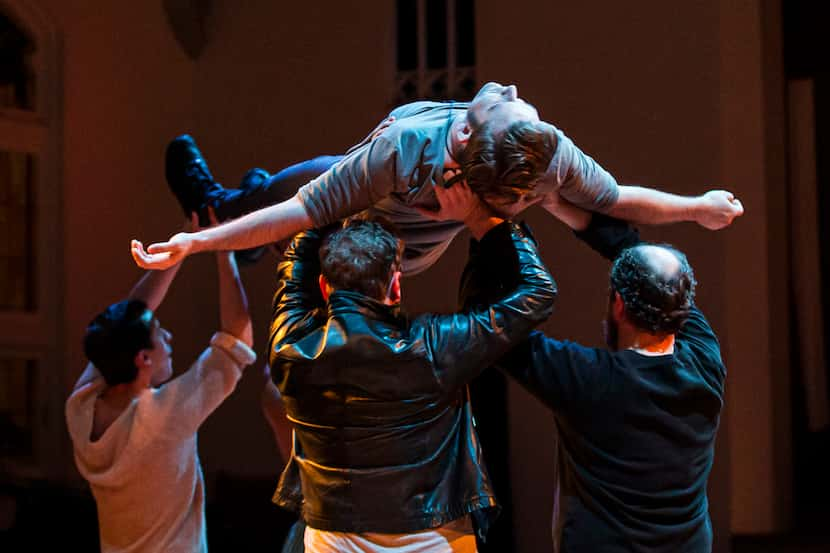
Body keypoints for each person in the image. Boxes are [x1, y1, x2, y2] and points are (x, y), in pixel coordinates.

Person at [131, 82, 743, 274]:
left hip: (390, 244)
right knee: (294, 183)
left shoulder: (541, 155)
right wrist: (698, 205)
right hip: (367, 193)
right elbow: (615, 198)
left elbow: (304, 210)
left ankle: (229, 222)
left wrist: (196, 244)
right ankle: (220, 209)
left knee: (303, 219)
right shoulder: (411, 149)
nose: (512, 91)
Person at [267, 182, 556, 552]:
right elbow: (538, 293)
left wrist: (333, 194)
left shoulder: (290, 346)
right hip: (433, 539)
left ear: (324, 287)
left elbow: (293, 268)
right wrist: (483, 219)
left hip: (333, 540)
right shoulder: (433, 346)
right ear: (396, 286)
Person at [463, 196, 730, 552]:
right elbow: (638, 255)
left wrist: (491, 224)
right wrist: (555, 201)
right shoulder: (705, 361)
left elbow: (486, 324)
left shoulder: (591, 381)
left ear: (618, 304)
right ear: (681, 306)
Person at [65, 212, 256, 553]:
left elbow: (131, 314)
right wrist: (222, 244)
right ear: (143, 358)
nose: (168, 337)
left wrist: (184, 242)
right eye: (159, 334)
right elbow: (237, 339)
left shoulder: (81, 408)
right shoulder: (161, 419)